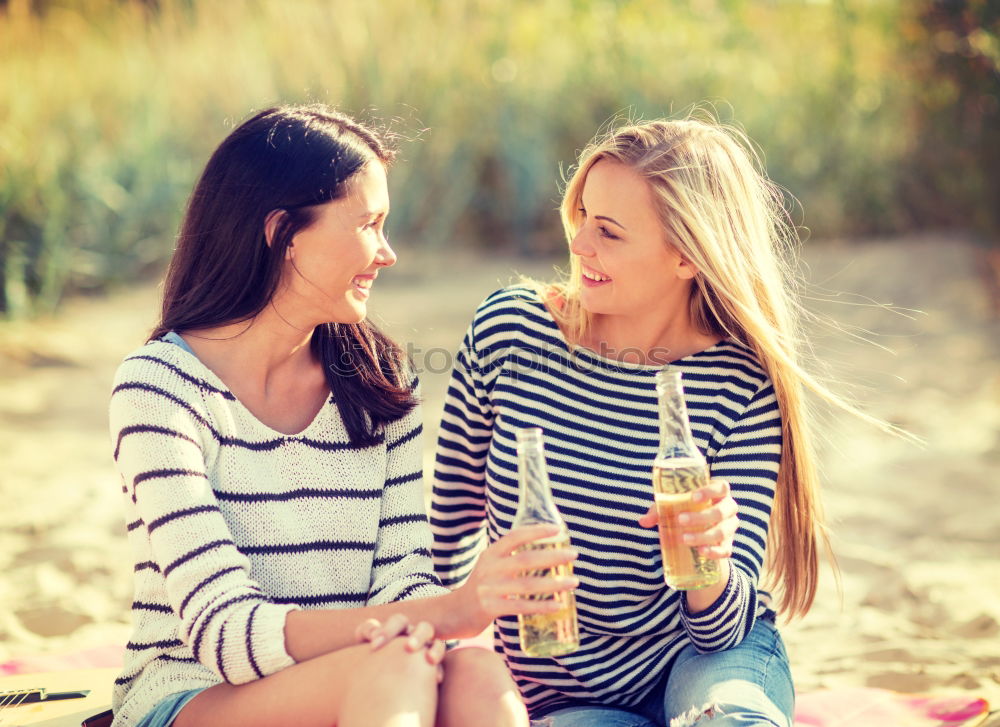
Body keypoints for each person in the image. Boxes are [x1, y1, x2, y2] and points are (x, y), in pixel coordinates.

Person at [108, 104, 575, 727]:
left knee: (476, 676)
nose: (387, 253)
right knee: (395, 667)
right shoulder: (160, 388)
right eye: (369, 224)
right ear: (282, 234)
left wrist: (428, 622)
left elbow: (404, 580)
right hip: (194, 695)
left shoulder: (378, 380)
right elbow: (226, 635)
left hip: (369, 670)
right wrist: (449, 614)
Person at [430, 116, 857, 727]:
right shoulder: (510, 332)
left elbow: (719, 631)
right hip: (566, 690)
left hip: (708, 656)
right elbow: (445, 538)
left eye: (608, 232)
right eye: (581, 216)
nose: (579, 245)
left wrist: (708, 558)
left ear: (687, 255)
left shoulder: (740, 383)